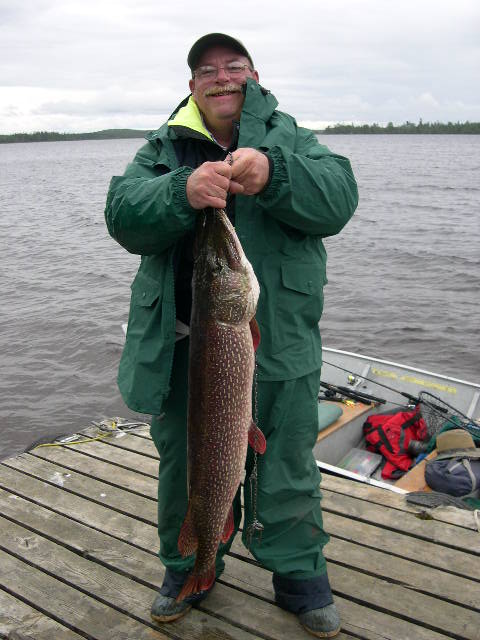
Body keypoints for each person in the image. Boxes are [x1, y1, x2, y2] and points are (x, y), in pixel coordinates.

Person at [105, 33, 358, 638]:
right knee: (185, 470)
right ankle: (189, 563)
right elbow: (121, 213)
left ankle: (299, 575)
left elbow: (339, 199)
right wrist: (179, 190)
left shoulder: (289, 138)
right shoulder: (164, 148)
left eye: (233, 67)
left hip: (280, 344)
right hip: (180, 349)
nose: (221, 78)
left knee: (289, 466)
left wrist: (273, 172)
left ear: (253, 75)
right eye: (207, 70)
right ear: (192, 85)